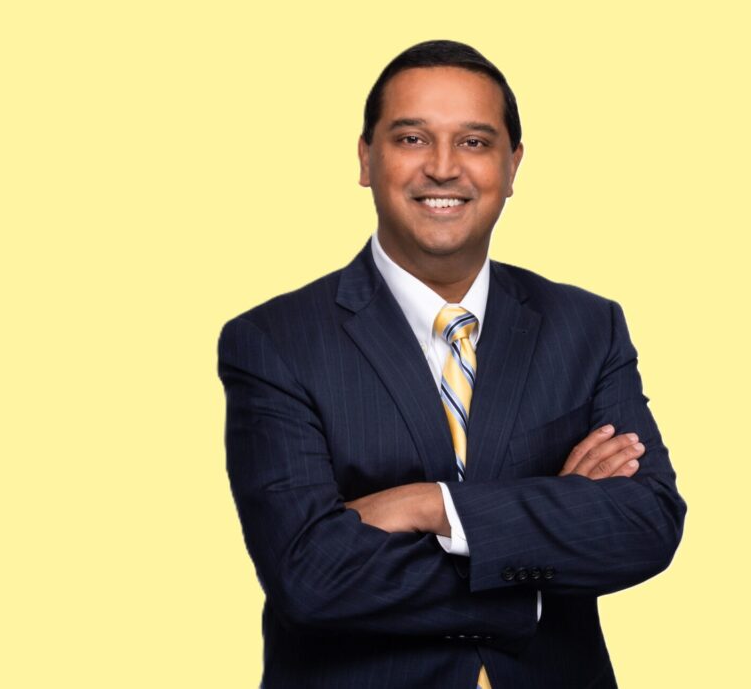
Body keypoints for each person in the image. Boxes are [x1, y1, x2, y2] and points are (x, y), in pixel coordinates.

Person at [217, 39, 686, 689]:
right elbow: (309, 574)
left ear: (512, 166)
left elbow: (646, 524)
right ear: (366, 158)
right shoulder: (274, 341)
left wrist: (429, 505)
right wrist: (542, 557)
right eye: (412, 139)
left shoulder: (586, 326)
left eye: (474, 142)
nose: (443, 168)